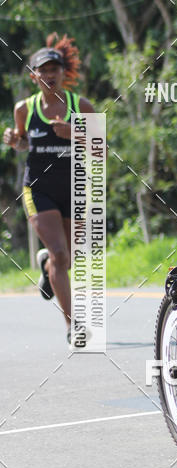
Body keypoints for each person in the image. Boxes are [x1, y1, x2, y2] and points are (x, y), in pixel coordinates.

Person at [3, 34, 94, 344]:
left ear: (63, 74)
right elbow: (24, 142)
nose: (51, 74)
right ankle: (73, 326)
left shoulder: (80, 105)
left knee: (65, 257)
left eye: (56, 69)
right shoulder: (23, 109)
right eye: (44, 69)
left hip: (72, 187)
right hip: (38, 188)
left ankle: (45, 265)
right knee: (59, 252)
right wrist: (16, 141)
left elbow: (103, 149)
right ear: (34, 76)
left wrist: (76, 132)